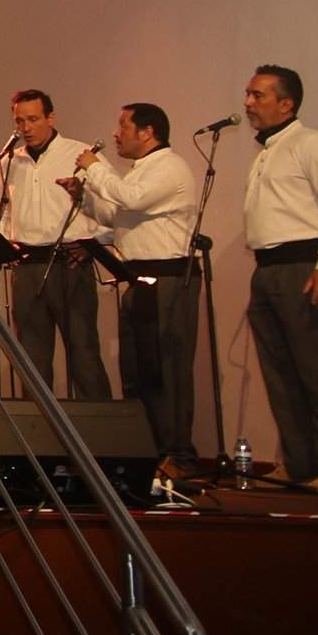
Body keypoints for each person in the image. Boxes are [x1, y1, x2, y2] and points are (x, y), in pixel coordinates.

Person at [238, 65, 318, 493]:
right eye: (248, 94)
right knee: (281, 373)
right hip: (267, 268)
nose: (248, 103)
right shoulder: (267, 151)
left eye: (258, 95)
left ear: (287, 104)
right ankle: (300, 463)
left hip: (304, 266)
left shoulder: (311, 144)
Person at [63, 103, 200, 465]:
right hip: (138, 279)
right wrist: (83, 198)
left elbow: (130, 198)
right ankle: (147, 452)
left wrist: (94, 167)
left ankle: (177, 454)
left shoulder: (170, 166)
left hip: (167, 278)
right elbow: (118, 216)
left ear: (148, 132)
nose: (116, 133)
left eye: (123, 126)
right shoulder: (141, 171)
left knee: (165, 369)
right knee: (137, 370)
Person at [0, 89, 111, 400]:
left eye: (33, 119)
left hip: (68, 263)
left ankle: (97, 424)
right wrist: (4, 243)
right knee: (31, 356)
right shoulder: (10, 161)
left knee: (83, 352)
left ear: (50, 117)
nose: (26, 128)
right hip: (26, 265)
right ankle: (39, 425)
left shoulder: (80, 154)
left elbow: (112, 204)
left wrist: (92, 243)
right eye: (20, 121)